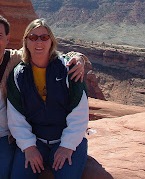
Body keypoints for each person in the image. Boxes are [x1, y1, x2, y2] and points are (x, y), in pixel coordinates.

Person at [0, 14, 86, 179]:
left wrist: (78, 57)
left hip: (7, 136)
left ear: (8, 39)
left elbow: (79, 111)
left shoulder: (62, 69)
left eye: (44, 37)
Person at [7, 19, 89, 179]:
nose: (39, 42)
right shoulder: (18, 75)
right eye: (33, 37)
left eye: (44, 37)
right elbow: (15, 115)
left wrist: (67, 146)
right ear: (26, 42)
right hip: (35, 141)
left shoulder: (68, 69)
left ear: (51, 41)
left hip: (65, 139)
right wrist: (28, 147)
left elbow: (80, 111)